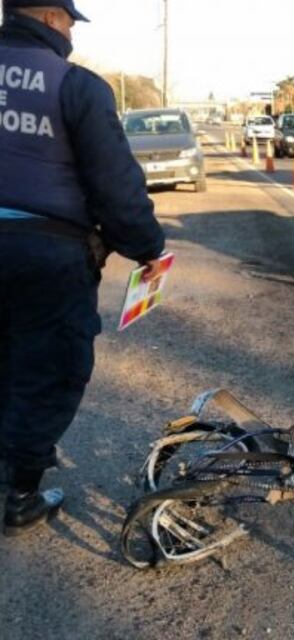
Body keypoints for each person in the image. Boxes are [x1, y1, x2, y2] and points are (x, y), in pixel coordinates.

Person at [0, 0, 165, 536]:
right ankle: (20, 494)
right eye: (70, 20)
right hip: (45, 256)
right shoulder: (76, 86)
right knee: (45, 371)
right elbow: (116, 187)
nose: (71, 30)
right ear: (49, 17)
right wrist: (145, 246)